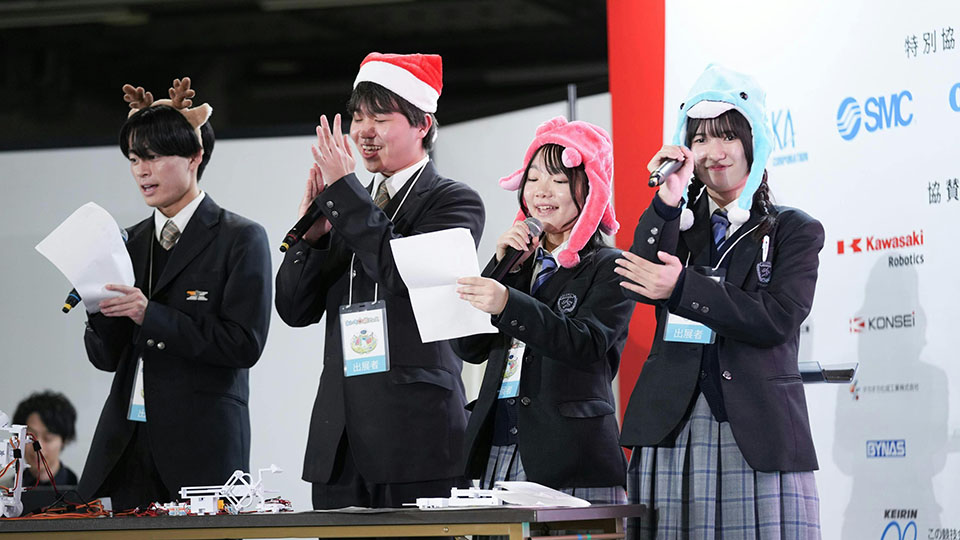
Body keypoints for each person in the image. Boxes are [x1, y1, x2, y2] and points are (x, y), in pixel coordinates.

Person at [616, 64, 824, 538]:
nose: (714, 152)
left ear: (754, 141)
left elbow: (776, 319)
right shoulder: (676, 221)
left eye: (728, 136)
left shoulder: (793, 229)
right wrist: (667, 201)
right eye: (701, 139)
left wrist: (682, 288)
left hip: (755, 429)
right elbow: (633, 280)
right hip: (670, 426)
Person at [275, 52, 485, 509]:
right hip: (339, 439)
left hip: (416, 435)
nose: (364, 131)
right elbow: (293, 310)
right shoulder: (346, 206)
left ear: (422, 125)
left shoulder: (453, 201)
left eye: (380, 118)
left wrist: (344, 193)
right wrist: (310, 240)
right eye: (357, 118)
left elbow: (400, 273)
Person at [78, 78, 272, 511]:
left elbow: (244, 344)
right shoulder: (126, 242)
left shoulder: (240, 237)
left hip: (202, 446)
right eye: (134, 159)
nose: (141, 171)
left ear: (195, 156)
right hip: (128, 442)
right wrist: (94, 305)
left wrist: (151, 315)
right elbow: (106, 358)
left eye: (154, 156)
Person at [454, 117, 633, 503]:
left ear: (590, 187)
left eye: (558, 180)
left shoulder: (610, 266)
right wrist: (502, 268)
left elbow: (586, 343)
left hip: (571, 454)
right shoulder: (518, 264)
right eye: (533, 178)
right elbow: (468, 347)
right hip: (498, 445)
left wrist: (508, 302)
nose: (541, 191)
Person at [6, 391, 79, 487]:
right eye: (29, 437)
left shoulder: (85, 492)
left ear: (64, 440)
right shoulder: (4, 491)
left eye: (48, 438)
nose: (37, 448)